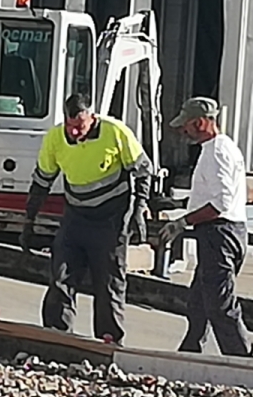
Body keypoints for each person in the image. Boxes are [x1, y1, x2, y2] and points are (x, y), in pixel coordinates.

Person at [22, 93, 155, 346]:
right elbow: (41, 182)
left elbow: (142, 171)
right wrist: (29, 220)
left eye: (79, 126)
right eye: (70, 126)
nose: (74, 132)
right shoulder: (55, 138)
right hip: (76, 218)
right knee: (61, 275)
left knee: (108, 281)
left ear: (92, 118)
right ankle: (57, 335)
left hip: (111, 220)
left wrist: (140, 207)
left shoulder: (115, 132)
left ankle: (109, 340)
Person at [158, 96, 253, 357]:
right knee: (199, 301)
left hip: (220, 234)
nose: (183, 131)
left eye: (187, 125)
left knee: (219, 303)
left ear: (201, 122)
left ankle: (242, 358)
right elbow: (221, 194)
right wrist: (182, 203)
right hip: (225, 232)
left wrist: (183, 221)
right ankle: (190, 350)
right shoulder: (223, 148)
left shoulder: (216, 151)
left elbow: (220, 203)